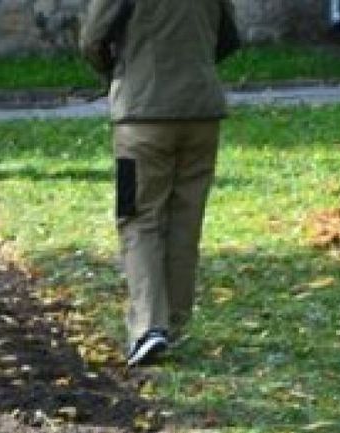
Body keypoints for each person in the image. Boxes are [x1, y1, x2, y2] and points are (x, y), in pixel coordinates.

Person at [80, 0, 241, 367]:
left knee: (137, 218)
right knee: (185, 219)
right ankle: (175, 319)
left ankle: (149, 325)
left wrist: (119, 72)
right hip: (202, 112)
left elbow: (92, 39)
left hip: (142, 115)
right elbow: (230, 36)